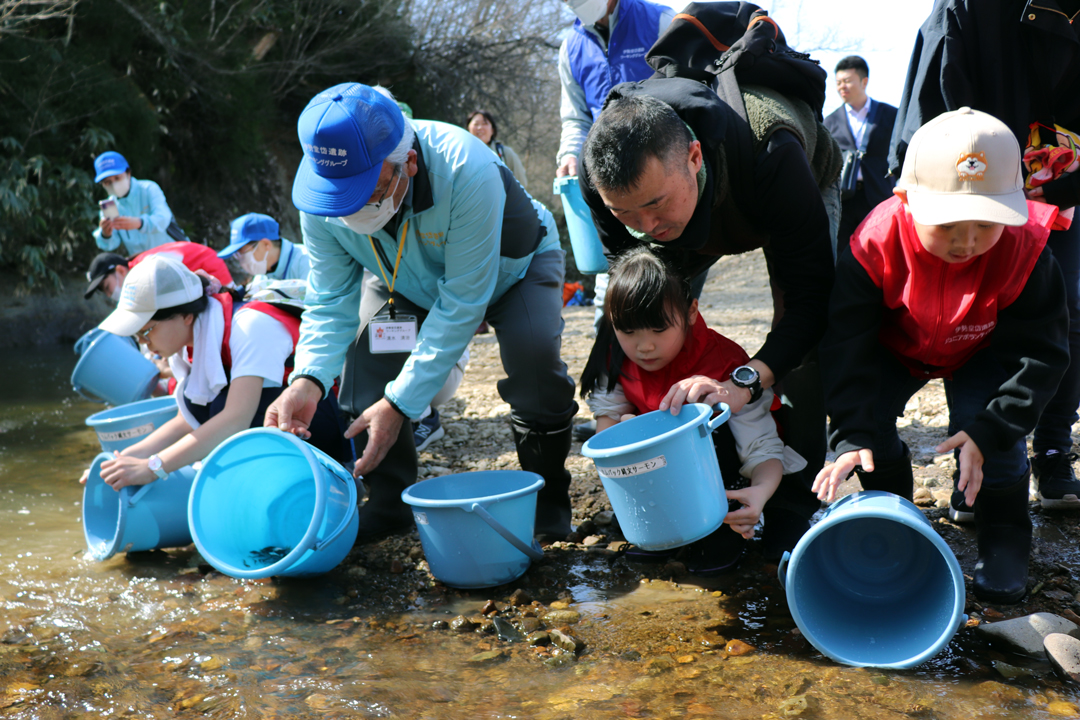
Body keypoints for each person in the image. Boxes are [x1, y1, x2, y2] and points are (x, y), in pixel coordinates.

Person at [264, 83, 578, 544]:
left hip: (512, 270)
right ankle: (389, 506)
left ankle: (549, 509)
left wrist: (402, 404)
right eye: (339, 199)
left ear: (407, 163)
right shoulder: (323, 191)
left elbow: (462, 304)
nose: (348, 211)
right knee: (364, 369)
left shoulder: (467, 170)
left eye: (365, 194)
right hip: (400, 278)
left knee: (534, 368)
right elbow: (330, 300)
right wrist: (307, 380)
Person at [815, 108, 1069, 604]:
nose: (968, 241)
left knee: (991, 436)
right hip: (895, 345)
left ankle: (1005, 533)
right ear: (907, 199)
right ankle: (894, 515)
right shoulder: (874, 242)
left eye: (987, 223)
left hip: (981, 347)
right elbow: (845, 345)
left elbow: (1042, 355)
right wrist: (849, 432)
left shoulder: (1026, 249)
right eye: (949, 222)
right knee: (868, 430)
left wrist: (990, 429)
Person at [578, 76, 839, 557]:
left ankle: (788, 504)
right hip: (699, 203)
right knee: (649, 304)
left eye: (654, 203)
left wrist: (744, 382)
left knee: (805, 348)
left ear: (694, 157)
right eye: (626, 214)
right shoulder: (603, 187)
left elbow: (810, 304)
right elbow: (627, 292)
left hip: (779, 188)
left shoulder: (773, 150)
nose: (647, 227)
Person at [888, 0, 1080, 513]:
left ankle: (1055, 449)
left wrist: (1064, 183)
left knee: (1068, 313)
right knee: (971, 315)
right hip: (977, 190)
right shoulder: (968, 7)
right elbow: (934, 96)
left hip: (1060, 185)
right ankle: (973, 460)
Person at [582, 247, 805, 572]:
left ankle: (718, 526)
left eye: (659, 330)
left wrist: (759, 493)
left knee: (715, 564)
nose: (644, 346)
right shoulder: (613, 354)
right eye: (628, 331)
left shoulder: (725, 366)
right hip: (658, 481)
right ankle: (660, 528)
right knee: (646, 553)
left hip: (724, 477)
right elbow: (607, 424)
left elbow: (762, 449)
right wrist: (623, 436)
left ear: (691, 311)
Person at [83, 255, 346, 491]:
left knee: (220, 406)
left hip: (317, 422)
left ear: (185, 315)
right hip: (278, 426)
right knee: (194, 403)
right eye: (137, 335)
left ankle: (325, 483)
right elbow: (187, 420)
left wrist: (154, 467)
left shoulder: (249, 326)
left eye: (146, 331)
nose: (143, 343)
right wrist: (119, 463)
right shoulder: (192, 342)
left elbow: (235, 419)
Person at [557, 0, 676, 440]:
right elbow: (574, 117)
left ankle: (668, 408)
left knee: (669, 296)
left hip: (661, 183)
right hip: (609, 192)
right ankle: (615, 411)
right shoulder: (571, 45)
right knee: (614, 297)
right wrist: (570, 155)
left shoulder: (659, 21)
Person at [823, 56, 898, 252]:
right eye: (838, 83)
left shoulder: (891, 115)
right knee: (842, 253)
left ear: (864, 81)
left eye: (847, 81)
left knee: (882, 250)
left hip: (880, 194)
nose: (842, 87)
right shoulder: (829, 122)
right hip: (843, 199)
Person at [91, 151, 185, 255]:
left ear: (128, 173)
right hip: (145, 265)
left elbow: (163, 218)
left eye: (117, 178)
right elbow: (111, 244)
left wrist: (140, 223)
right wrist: (105, 234)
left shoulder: (148, 189)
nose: (114, 184)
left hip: (175, 255)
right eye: (107, 182)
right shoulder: (109, 206)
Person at [83, 242, 234, 302]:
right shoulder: (140, 267)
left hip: (215, 278)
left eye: (107, 287)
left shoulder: (146, 268)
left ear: (121, 270)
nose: (110, 295)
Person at [216, 213, 310, 284]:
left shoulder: (307, 261)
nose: (241, 260)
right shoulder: (261, 278)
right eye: (237, 255)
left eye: (243, 252)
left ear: (266, 244)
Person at [466, 110, 528, 186]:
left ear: (492, 130)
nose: (480, 127)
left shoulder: (505, 153)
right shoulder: (461, 154)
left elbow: (521, 185)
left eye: (484, 124)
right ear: (468, 129)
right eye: (476, 124)